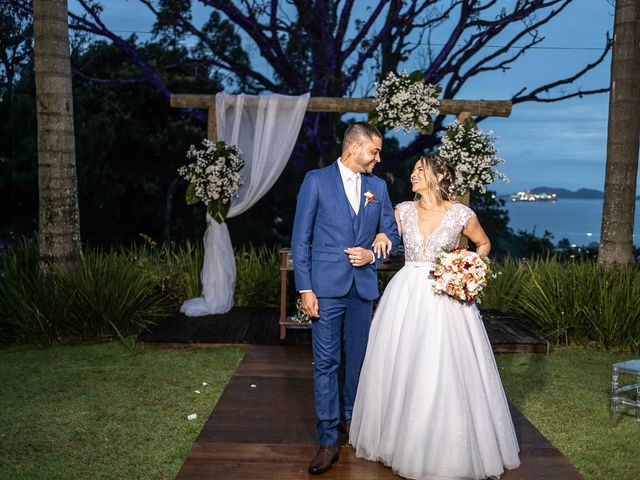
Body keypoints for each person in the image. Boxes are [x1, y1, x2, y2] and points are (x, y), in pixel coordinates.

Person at [349, 155, 521, 480]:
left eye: (418, 170)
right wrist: (377, 243)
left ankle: (446, 445)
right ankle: (398, 441)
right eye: (412, 170)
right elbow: (385, 239)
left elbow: (483, 244)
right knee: (403, 362)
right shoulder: (402, 211)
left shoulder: (461, 214)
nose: (412, 174)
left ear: (438, 174)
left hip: (446, 296)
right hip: (406, 295)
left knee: (444, 365)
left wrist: (464, 266)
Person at [291, 122, 400, 475]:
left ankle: (352, 422)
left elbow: (392, 233)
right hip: (324, 288)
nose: (378, 159)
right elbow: (301, 238)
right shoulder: (316, 181)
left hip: (362, 289)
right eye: (374, 151)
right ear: (354, 148)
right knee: (326, 363)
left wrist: (375, 253)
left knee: (359, 361)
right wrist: (305, 288)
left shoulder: (378, 187)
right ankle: (327, 439)